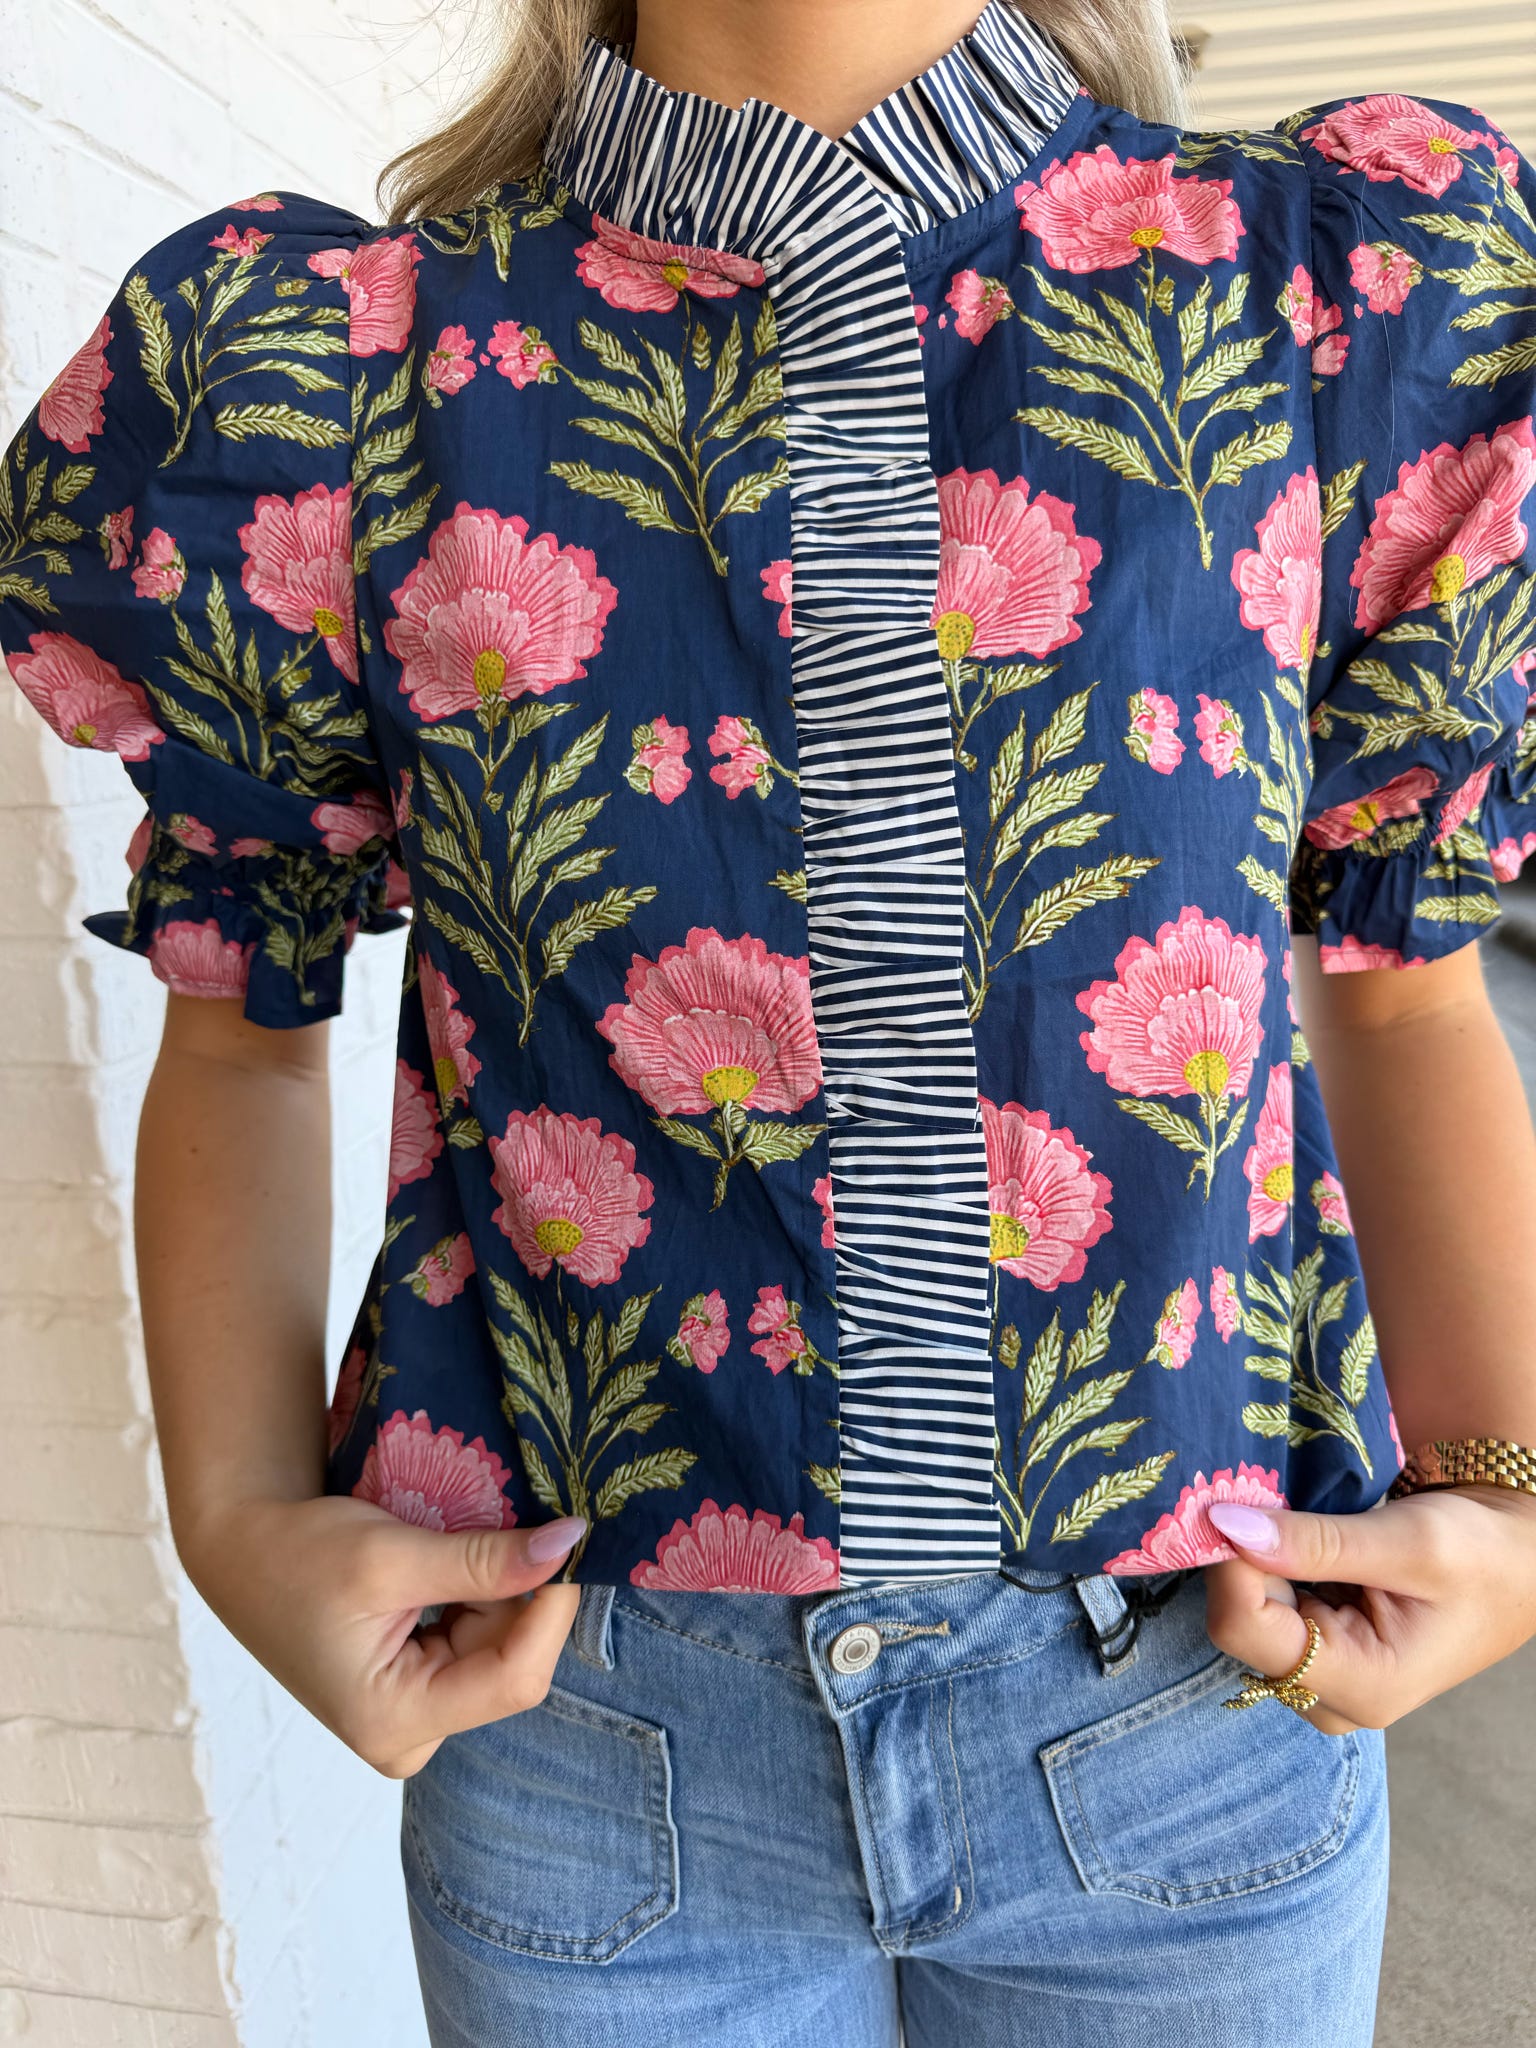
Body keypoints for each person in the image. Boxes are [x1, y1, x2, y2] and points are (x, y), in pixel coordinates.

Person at [4, 1, 1536, 2041]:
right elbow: (243, 1021)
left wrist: (1509, 1493)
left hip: (1191, 1725)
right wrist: (234, 1520)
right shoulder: (354, 369)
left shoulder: (1310, 306)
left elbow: (1403, 986)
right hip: (587, 1746)